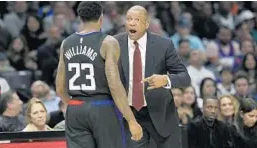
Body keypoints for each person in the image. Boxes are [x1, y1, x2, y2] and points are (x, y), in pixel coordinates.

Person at [55, 2, 142, 148]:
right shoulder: (108, 42)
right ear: (101, 17)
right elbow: (114, 85)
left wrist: (73, 105)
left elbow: (59, 87)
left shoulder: (66, 43)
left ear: (80, 17)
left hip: (75, 107)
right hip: (102, 106)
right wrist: (131, 120)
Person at [115, 5, 191, 148]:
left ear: (147, 24)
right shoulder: (114, 44)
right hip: (131, 116)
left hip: (162, 114)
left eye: (137, 20)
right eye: (129, 19)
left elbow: (184, 77)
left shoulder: (164, 44)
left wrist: (165, 80)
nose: (131, 23)